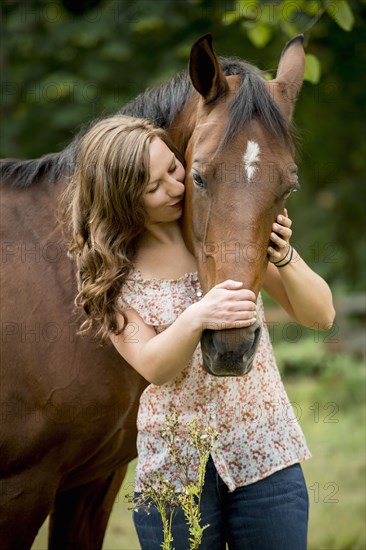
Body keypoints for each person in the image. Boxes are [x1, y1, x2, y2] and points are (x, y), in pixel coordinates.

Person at [65, 114, 335, 550]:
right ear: (120, 199)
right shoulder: (110, 273)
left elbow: (321, 315)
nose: (174, 188)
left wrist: (284, 257)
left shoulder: (229, 229)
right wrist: (197, 315)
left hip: (265, 453)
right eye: (152, 187)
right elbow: (155, 366)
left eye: (173, 169)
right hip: (174, 473)